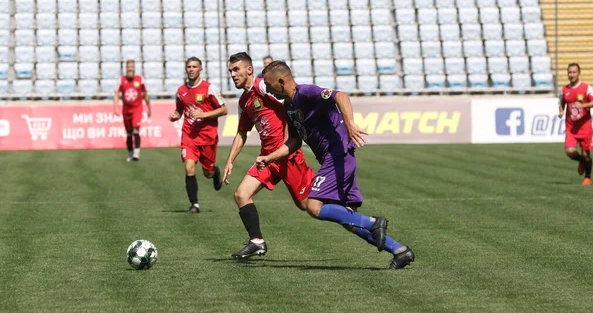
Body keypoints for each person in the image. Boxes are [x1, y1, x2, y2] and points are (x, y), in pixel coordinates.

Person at [256, 61, 414, 270]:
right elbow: (294, 141)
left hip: (337, 155)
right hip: (336, 158)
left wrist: (349, 123)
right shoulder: (289, 106)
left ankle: (373, 222)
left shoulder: (306, 93)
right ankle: (400, 251)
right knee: (348, 219)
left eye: (268, 84)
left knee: (313, 206)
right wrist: (270, 157)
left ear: (282, 81)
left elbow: (340, 95)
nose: (266, 89)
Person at [223, 52, 315, 259]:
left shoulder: (263, 86)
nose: (233, 75)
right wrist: (230, 161)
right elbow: (241, 132)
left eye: (236, 70)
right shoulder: (244, 101)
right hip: (267, 159)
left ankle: (349, 211)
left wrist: (288, 141)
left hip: (287, 157)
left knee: (307, 205)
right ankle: (256, 241)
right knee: (241, 195)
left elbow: (290, 101)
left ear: (249, 69)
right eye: (230, 71)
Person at [168, 57, 228, 213]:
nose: (191, 69)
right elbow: (180, 110)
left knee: (208, 173)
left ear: (200, 69)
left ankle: (215, 172)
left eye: (195, 66)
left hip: (208, 137)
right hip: (189, 136)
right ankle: (194, 204)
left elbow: (224, 110)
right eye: (189, 66)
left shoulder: (209, 88)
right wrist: (176, 115)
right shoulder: (181, 91)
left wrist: (204, 115)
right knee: (189, 167)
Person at [558, 63, 593, 185]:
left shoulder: (586, 88)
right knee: (570, 151)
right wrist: (561, 111)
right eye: (570, 72)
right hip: (571, 127)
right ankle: (581, 160)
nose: (572, 75)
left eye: (574, 72)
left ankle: (588, 177)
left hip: (585, 127)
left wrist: (583, 105)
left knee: (586, 154)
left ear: (579, 73)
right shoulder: (565, 90)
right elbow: (561, 102)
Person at [113, 60, 151, 162]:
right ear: (126, 68)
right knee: (129, 133)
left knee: (135, 130)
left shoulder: (140, 79)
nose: (130, 68)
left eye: (132, 67)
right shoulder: (121, 80)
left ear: (134, 68)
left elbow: (145, 94)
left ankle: (137, 152)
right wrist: (116, 107)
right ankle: (130, 153)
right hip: (126, 110)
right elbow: (116, 94)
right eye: (128, 67)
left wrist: (149, 107)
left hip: (137, 109)